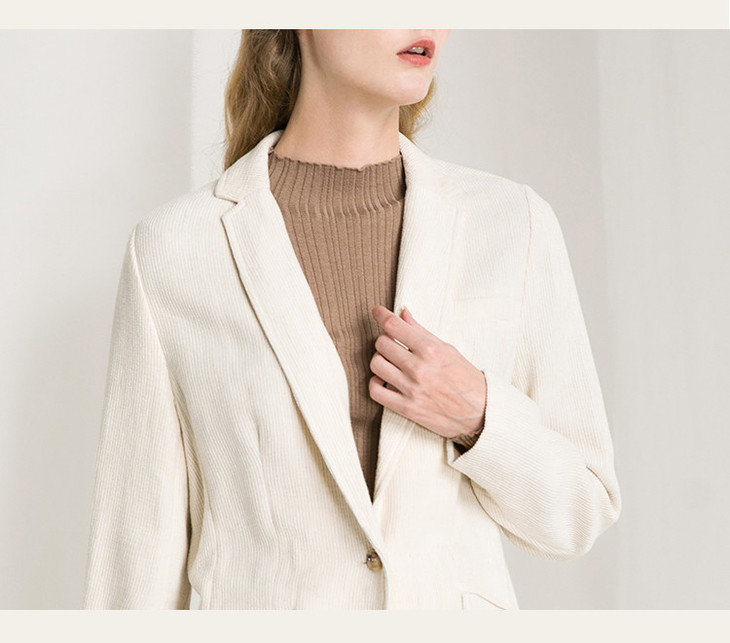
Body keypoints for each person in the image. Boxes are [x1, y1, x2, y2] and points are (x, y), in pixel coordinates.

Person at [82, 29, 621, 610]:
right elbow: (135, 556)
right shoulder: (177, 248)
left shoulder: (512, 224)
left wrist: (477, 415)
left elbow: (579, 513)